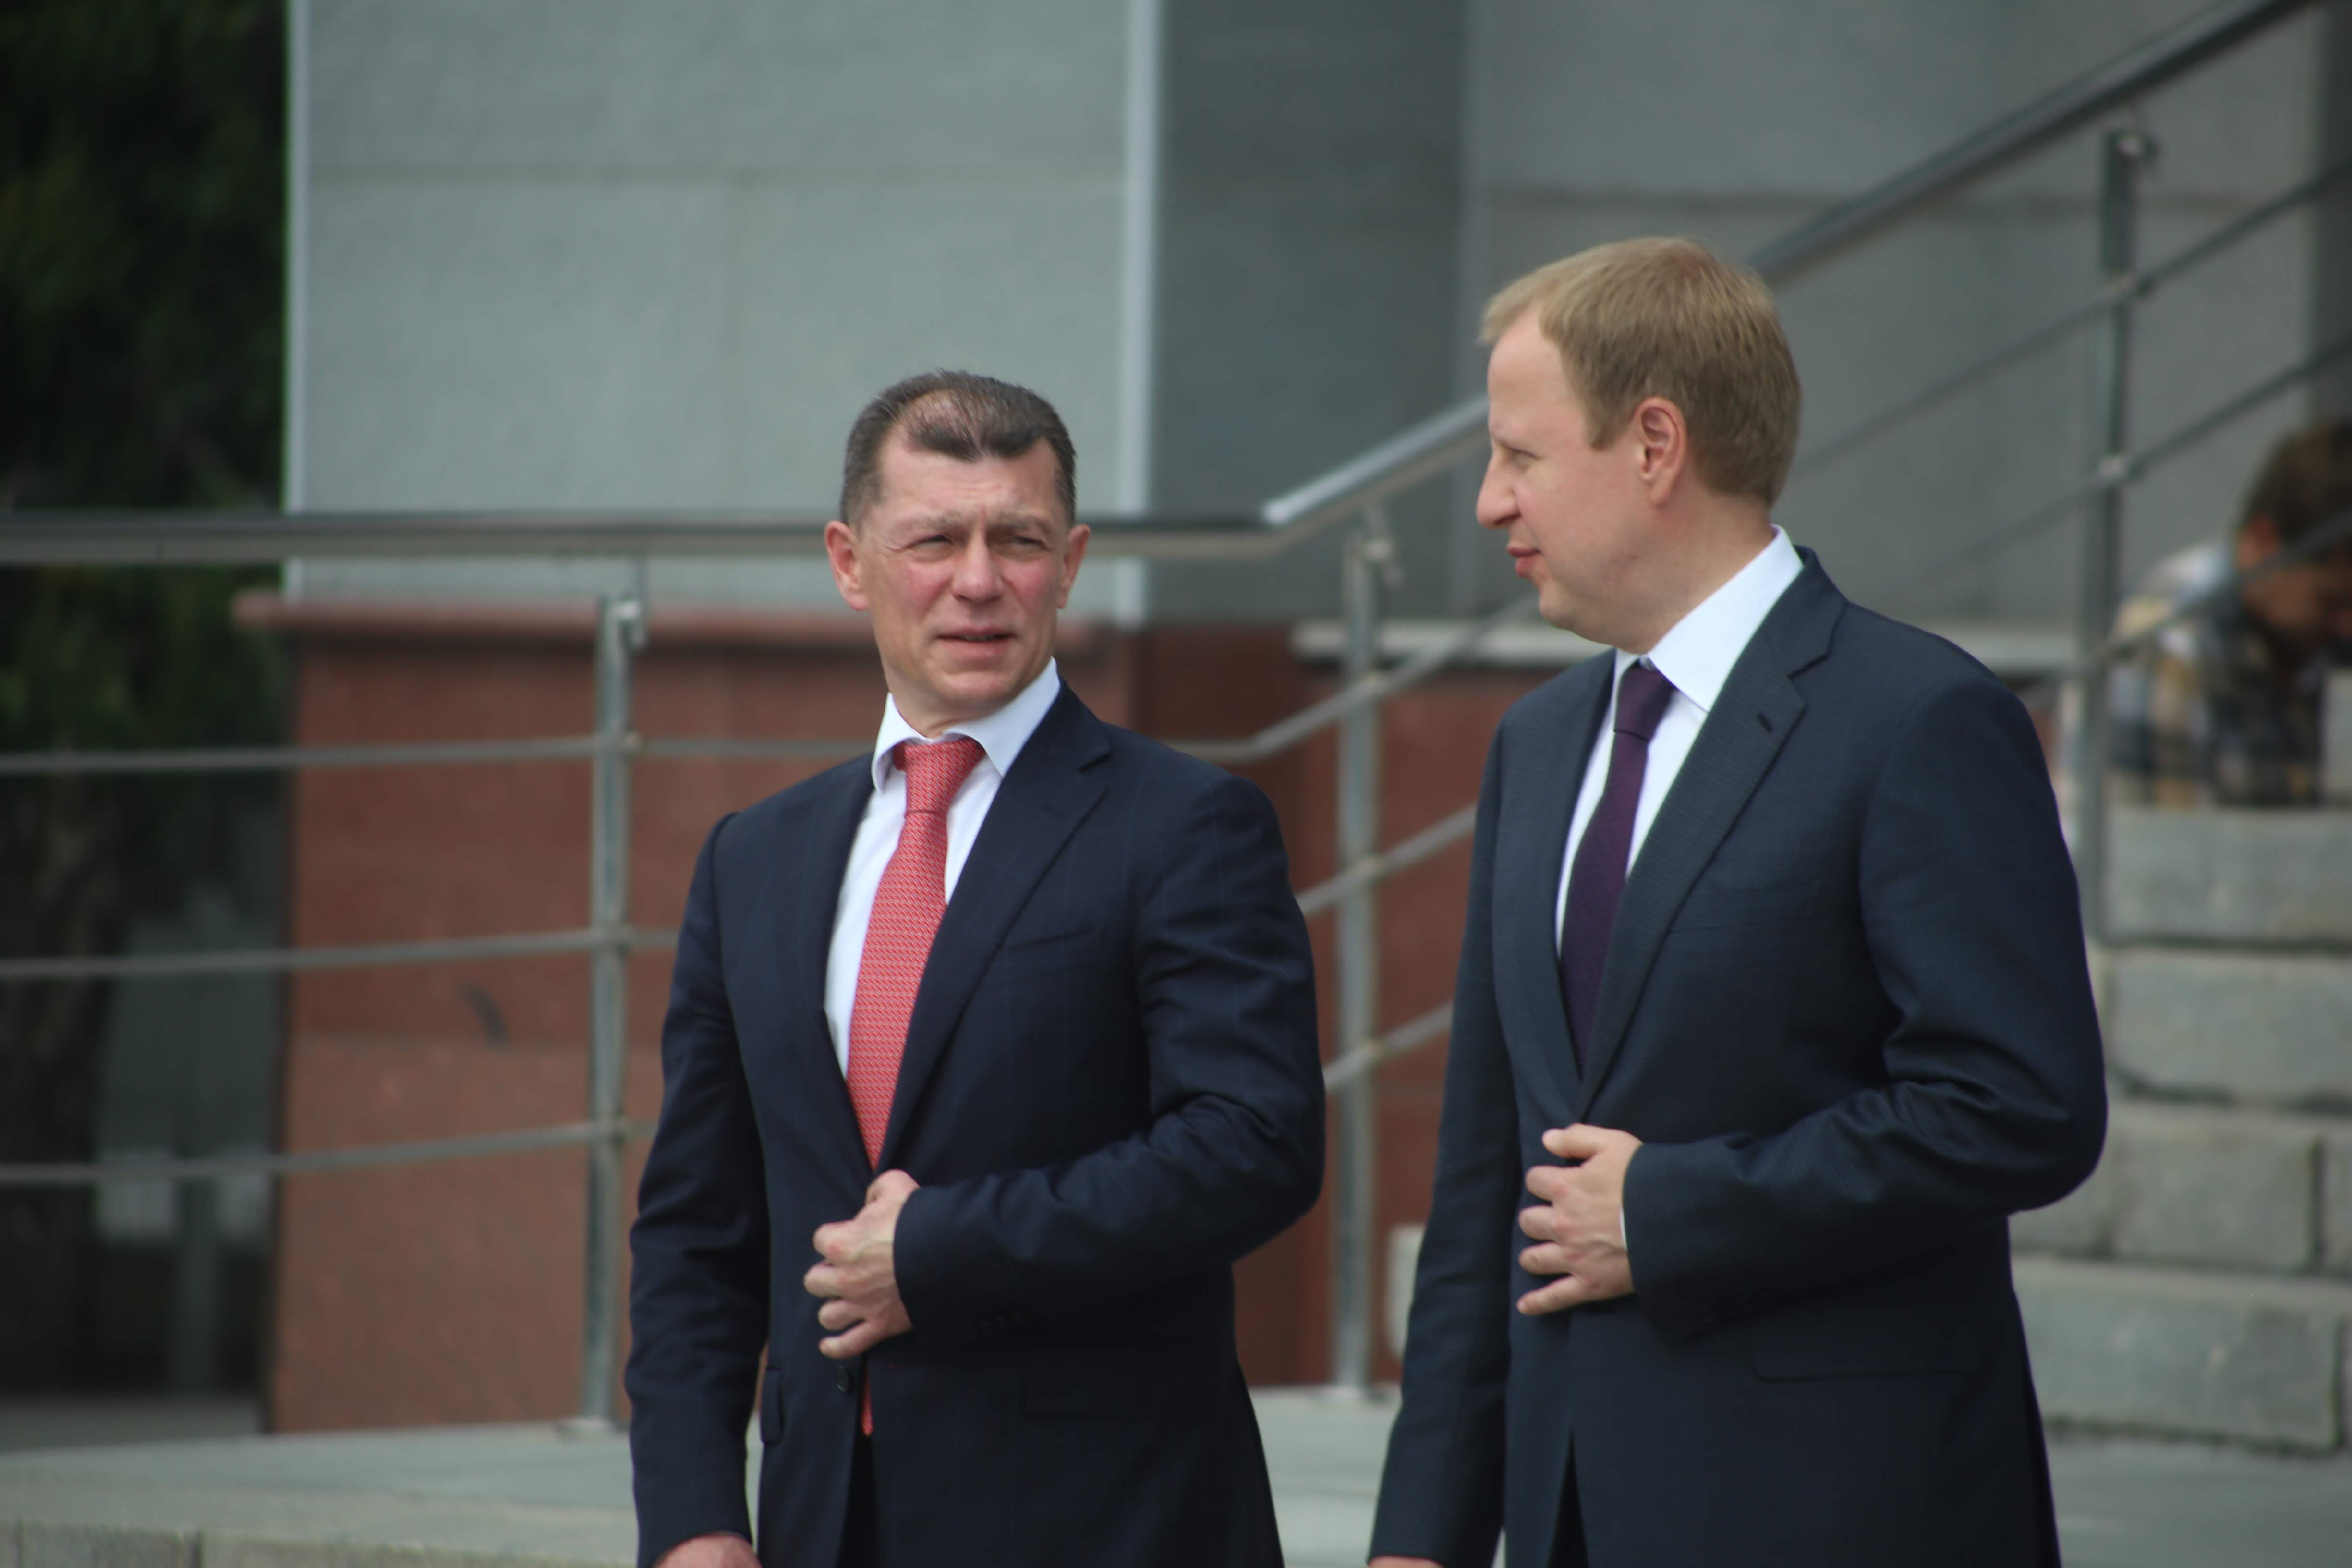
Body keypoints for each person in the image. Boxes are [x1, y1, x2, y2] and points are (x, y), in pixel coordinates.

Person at [1367, 239, 2108, 1568]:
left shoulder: (1918, 719)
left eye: (1519, 455)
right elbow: (1491, 1173)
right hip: (1564, 1512)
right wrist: (1421, 1533)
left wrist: (1670, 1210)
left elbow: (2018, 1108)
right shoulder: (1536, 743)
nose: (1487, 502)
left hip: (1835, 1510)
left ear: (1654, 445)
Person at [625, 370, 1324, 1568]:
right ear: (849, 562)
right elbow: (699, 1226)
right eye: (934, 540)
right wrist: (692, 1517)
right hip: (820, 1523)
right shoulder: (754, 859)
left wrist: (943, 1250)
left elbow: (1253, 1144)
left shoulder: (1184, 824)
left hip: (1106, 1525)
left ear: (1072, 561)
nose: (979, 580)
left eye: (1021, 540)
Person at [2107, 418, 2352, 806]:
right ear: (2264, 541)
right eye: (2332, 601)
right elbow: (2151, 839)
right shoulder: (2167, 637)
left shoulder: (2317, 643)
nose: (2347, 626)